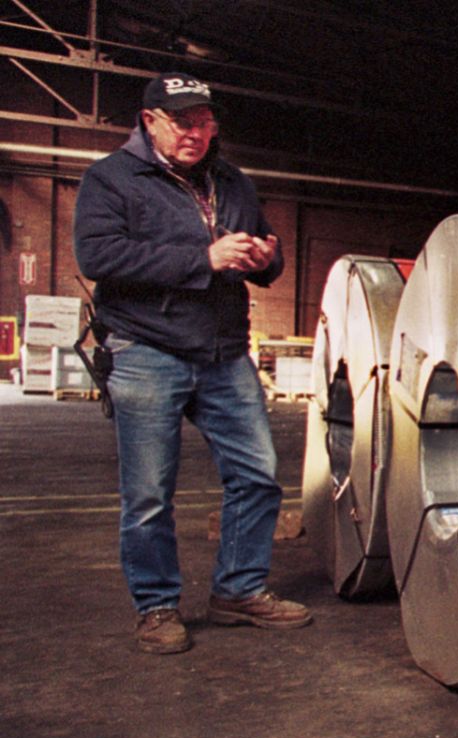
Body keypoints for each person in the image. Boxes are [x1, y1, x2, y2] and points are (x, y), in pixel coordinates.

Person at [73, 72, 311, 654]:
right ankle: (156, 607)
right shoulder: (110, 179)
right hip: (146, 349)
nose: (197, 134)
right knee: (150, 493)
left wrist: (265, 258)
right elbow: (99, 254)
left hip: (223, 352)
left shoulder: (232, 182)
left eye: (205, 123)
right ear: (150, 120)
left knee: (257, 476)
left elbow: (265, 257)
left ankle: (238, 590)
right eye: (184, 122)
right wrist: (202, 257)